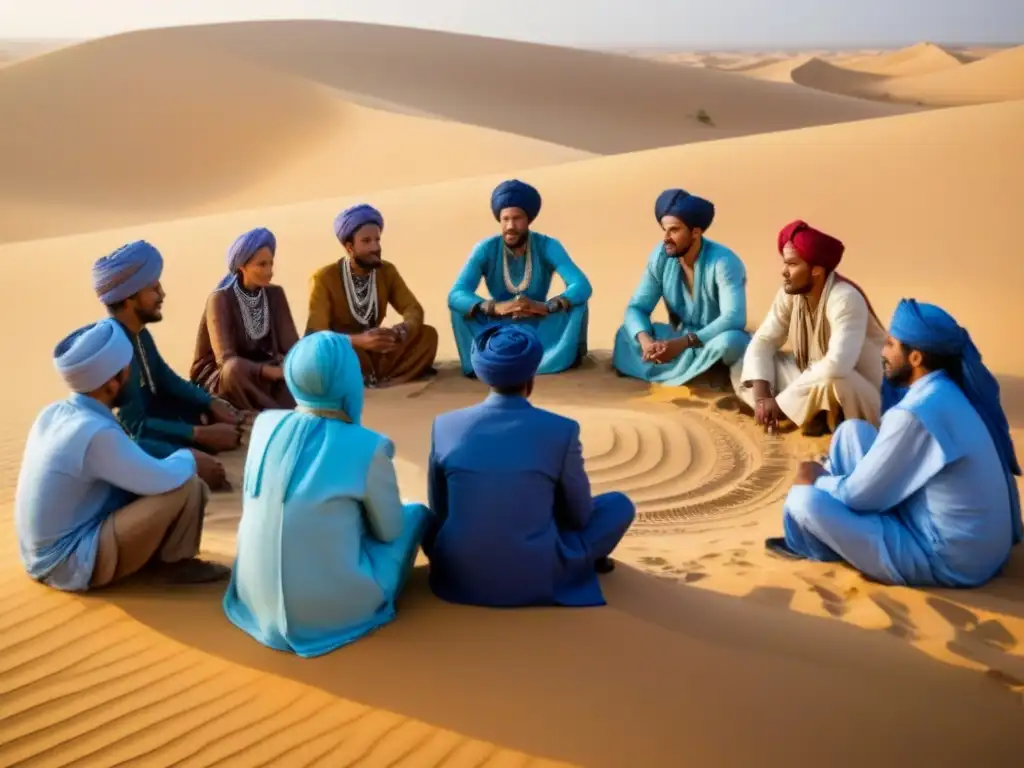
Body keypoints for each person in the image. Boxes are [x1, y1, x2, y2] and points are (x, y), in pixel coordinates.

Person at [768, 299, 1022, 588]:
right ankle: (835, 531)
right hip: (981, 549)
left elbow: (857, 497)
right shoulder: (946, 391)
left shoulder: (918, 413)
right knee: (851, 432)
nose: (883, 352)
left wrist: (819, 479)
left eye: (890, 344)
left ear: (915, 358)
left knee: (804, 499)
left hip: (948, 559)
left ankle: (815, 543)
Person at [223, 332, 429, 657]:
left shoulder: (264, 425)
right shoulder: (368, 446)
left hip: (254, 601)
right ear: (349, 378)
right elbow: (390, 530)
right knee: (416, 514)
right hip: (330, 613)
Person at [424, 324, 636, 607]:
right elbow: (579, 516)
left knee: (418, 515)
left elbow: (441, 509)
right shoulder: (561, 429)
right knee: (618, 505)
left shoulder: (444, 425)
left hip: (459, 575)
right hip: (537, 574)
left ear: (484, 375)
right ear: (531, 378)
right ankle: (579, 563)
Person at [14, 319, 230, 591]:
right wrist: (191, 458)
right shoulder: (93, 433)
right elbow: (161, 479)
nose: (134, 380)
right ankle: (174, 566)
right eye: (130, 372)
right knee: (186, 486)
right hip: (66, 564)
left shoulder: (54, 413)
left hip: (36, 556)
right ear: (112, 383)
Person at [92, 240, 245, 490]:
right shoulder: (115, 350)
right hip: (135, 445)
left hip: (157, 422)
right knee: (206, 470)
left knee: (211, 416)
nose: (162, 294)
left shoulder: (138, 334)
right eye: (154, 288)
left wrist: (208, 402)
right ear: (130, 299)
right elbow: (135, 428)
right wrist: (197, 436)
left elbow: (164, 378)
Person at [732, 220, 886, 436]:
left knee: (833, 379)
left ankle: (809, 415)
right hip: (813, 375)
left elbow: (837, 365)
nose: (784, 272)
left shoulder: (845, 299)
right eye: (785, 264)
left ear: (816, 270)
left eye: (793, 265)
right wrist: (762, 396)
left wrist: (780, 403)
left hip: (863, 393)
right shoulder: (790, 294)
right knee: (744, 364)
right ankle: (796, 412)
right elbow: (764, 341)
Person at [448, 179, 592, 377]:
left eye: (517, 219)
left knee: (578, 303)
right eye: (505, 219)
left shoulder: (547, 245)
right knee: (460, 309)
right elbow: (456, 293)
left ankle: (559, 356)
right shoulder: (485, 248)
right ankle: (479, 363)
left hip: (538, 322)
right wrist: (494, 307)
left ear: (529, 220)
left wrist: (546, 306)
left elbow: (581, 284)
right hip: (498, 325)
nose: (510, 226)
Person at [613, 188, 750, 386]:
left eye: (674, 230)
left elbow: (734, 317)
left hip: (711, 338)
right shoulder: (661, 257)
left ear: (696, 232)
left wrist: (683, 343)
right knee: (626, 333)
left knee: (731, 342)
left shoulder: (723, 262)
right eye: (664, 230)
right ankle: (696, 371)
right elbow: (637, 307)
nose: (666, 238)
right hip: (679, 337)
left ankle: (695, 369)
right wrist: (646, 341)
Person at [305, 204, 438, 387]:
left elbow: (412, 308)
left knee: (428, 335)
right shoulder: (324, 278)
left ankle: (380, 378)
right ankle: (369, 377)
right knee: (329, 354)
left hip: (377, 348)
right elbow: (315, 335)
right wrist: (360, 341)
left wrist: (402, 330)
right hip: (347, 348)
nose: (375, 247)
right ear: (349, 247)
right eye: (366, 241)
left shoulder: (386, 271)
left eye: (377, 239)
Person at [190, 227, 300, 411]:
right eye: (261, 265)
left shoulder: (275, 294)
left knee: (300, 365)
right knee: (234, 370)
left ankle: (272, 412)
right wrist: (266, 371)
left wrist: (293, 363)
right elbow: (225, 359)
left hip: (267, 369)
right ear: (242, 266)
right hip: (227, 376)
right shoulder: (220, 299)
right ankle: (270, 415)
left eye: (271, 264)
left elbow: (291, 346)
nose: (269, 271)